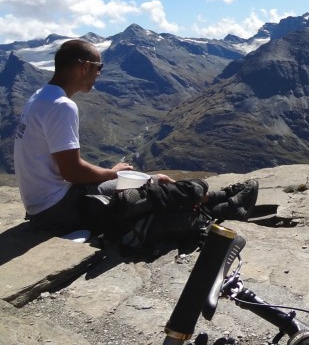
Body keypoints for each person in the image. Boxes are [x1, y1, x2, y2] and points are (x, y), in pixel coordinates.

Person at [13, 39, 257, 243]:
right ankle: (217, 201)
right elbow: (72, 171)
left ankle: (218, 203)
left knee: (153, 183)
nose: (99, 74)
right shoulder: (62, 106)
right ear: (85, 67)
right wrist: (112, 173)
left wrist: (112, 174)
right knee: (153, 190)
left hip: (46, 204)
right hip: (59, 210)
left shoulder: (40, 97)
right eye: (99, 68)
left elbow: (64, 164)